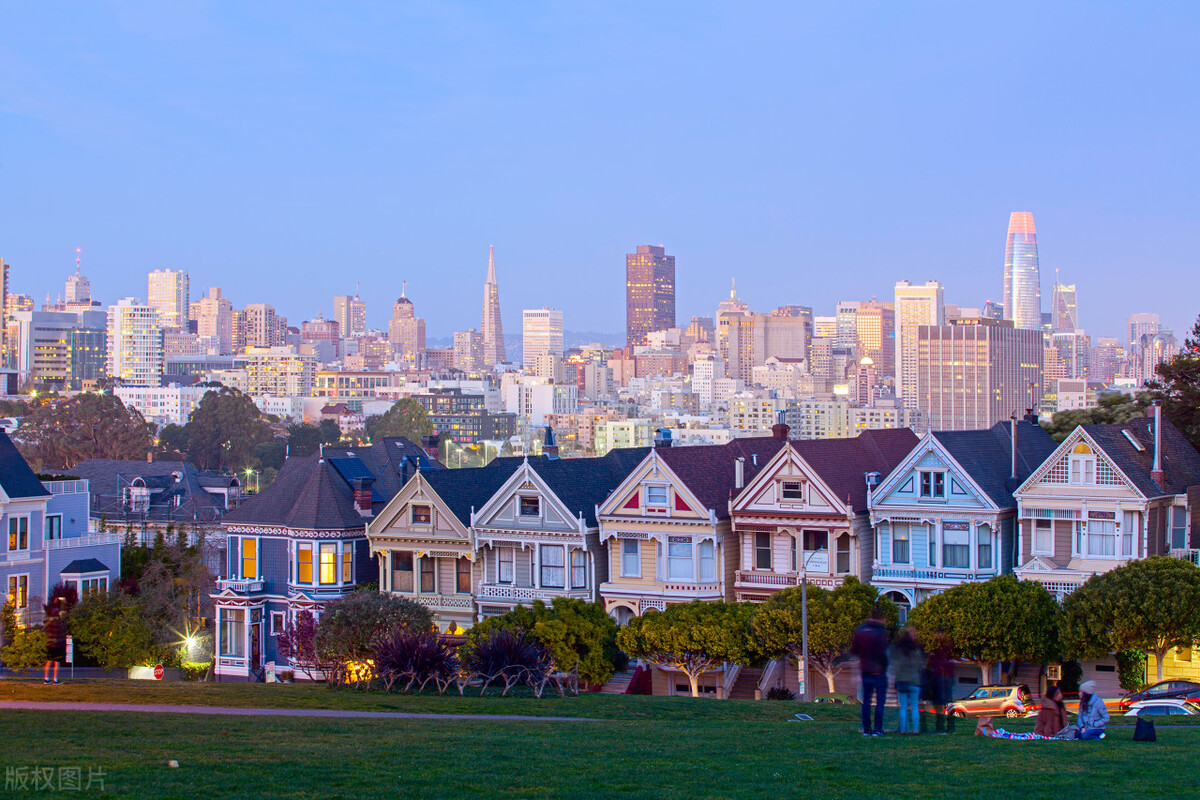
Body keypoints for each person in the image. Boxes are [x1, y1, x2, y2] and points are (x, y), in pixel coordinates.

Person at [851, 605, 889, 736]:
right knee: (879, 702)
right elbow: (882, 652)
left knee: (866, 701)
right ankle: (878, 728)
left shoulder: (860, 630)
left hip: (865, 669)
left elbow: (854, 650)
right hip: (878, 671)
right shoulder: (880, 632)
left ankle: (866, 729)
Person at [889, 626, 925, 734]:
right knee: (914, 707)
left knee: (903, 707)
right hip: (914, 681)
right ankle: (915, 730)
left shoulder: (900, 652)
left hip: (902, 681)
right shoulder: (917, 652)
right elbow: (921, 666)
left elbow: (895, 666)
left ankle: (903, 729)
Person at [925, 629, 956, 735]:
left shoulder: (938, 648)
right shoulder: (948, 647)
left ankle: (941, 727)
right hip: (946, 677)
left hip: (940, 677)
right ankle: (950, 727)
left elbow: (933, 662)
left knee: (939, 704)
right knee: (947, 703)